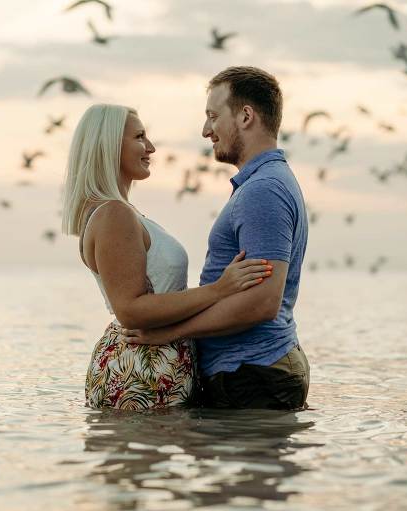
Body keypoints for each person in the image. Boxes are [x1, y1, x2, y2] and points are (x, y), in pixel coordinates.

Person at [61, 104, 274, 410]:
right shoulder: (114, 215)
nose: (151, 147)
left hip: (152, 362)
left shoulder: (121, 212)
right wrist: (219, 289)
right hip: (141, 367)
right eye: (139, 137)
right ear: (108, 146)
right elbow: (131, 310)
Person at [121, 67, 310, 411]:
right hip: (251, 371)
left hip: (252, 373)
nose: (206, 130)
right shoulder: (264, 184)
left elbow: (262, 302)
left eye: (212, 116)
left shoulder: (263, 190)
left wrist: (171, 333)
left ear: (246, 116)